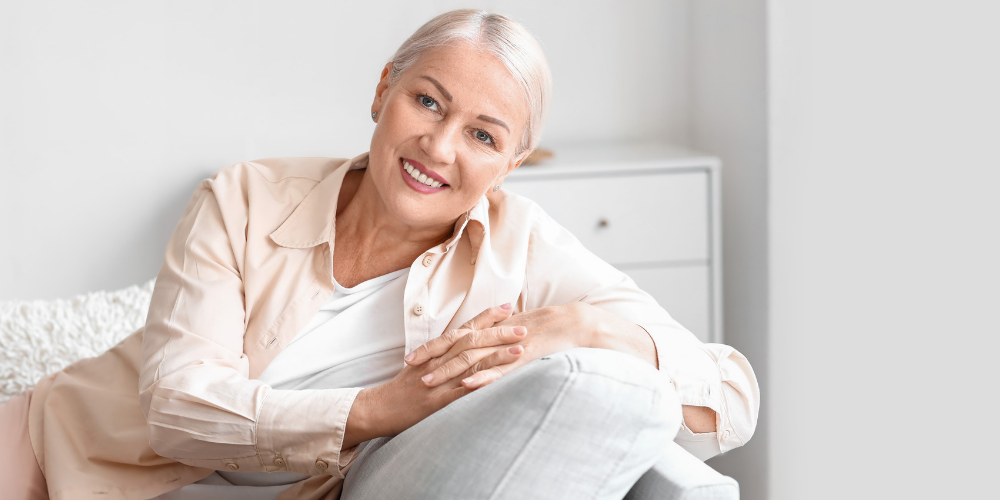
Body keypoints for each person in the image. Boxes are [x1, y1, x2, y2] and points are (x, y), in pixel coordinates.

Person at [0, 9, 759, 500]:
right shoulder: (242, 196)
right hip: (53, 454)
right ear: (382, 90)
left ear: (511, 166)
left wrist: (575, 330)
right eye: (427, 100)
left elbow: (731, 399)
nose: (438, 146)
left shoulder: (524, 250)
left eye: (483, 136)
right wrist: (375, 410)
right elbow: (176, 411)